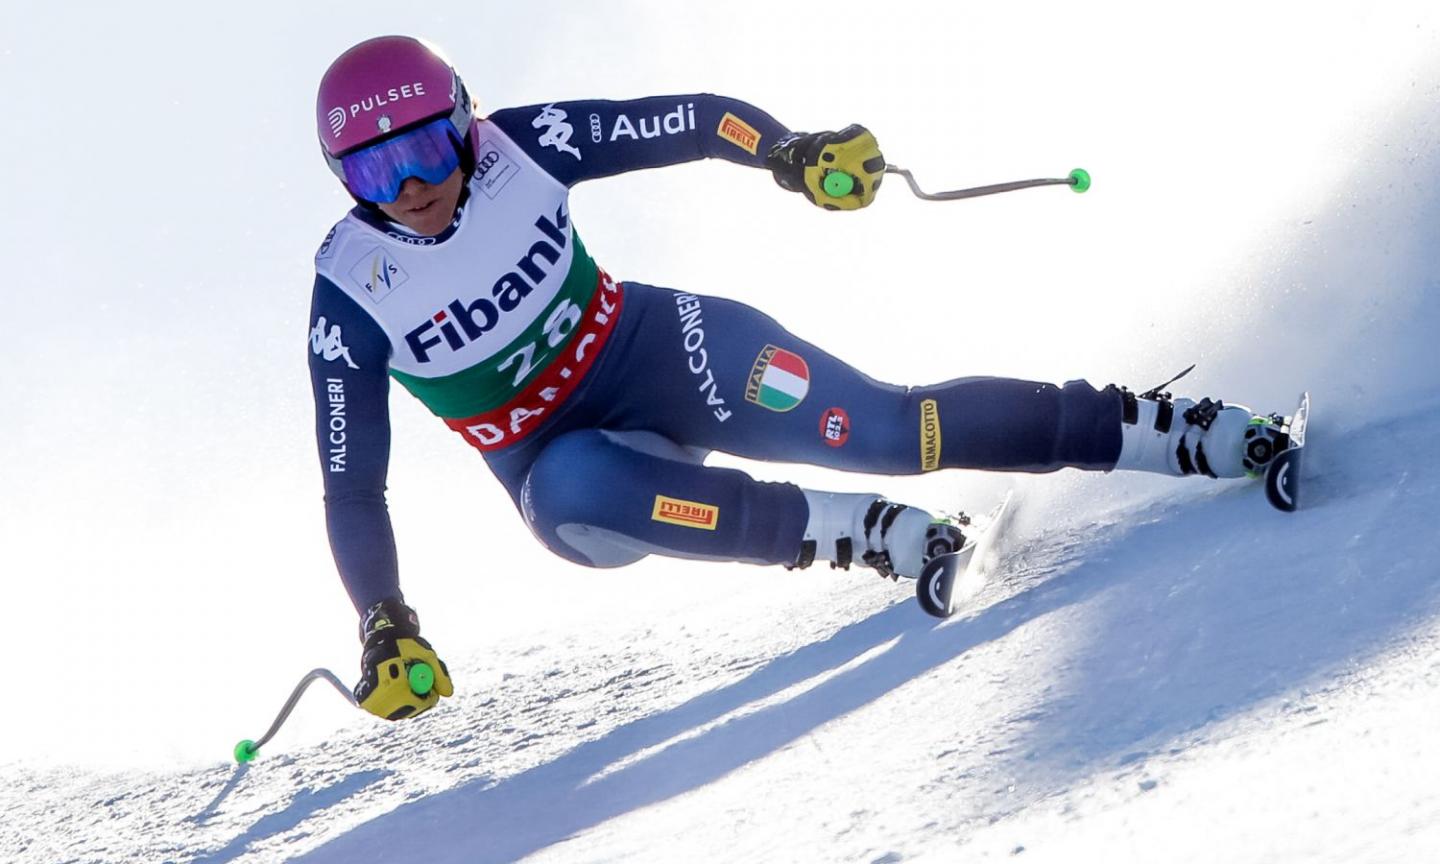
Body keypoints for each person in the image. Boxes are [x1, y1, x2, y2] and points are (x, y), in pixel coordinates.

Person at [310, 35, 1287, 720]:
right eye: (372, 173)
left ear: (467, 122)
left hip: (664, 353)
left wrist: (787, 151)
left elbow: (690, 121)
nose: (410, 188)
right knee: (566, 489)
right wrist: (383, 622)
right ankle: (869, 538)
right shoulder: (351, 292)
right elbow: (354, 486)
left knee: (894, 432)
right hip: (577, 480)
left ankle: (1161, 429)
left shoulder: (525, 144)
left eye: (429, 148)